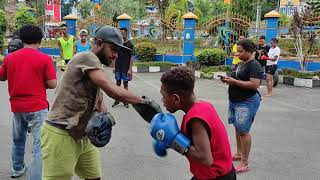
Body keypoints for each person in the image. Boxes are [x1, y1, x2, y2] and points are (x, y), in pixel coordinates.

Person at [41, 25, 150, 180]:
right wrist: (143, 102)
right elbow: (111, 89)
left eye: (118, 52)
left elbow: (100, 101)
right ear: (99, 43)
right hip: (61, 132)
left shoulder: (94, 68)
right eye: (113, 49)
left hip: (82, 134)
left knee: (93, 177)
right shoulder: (86, 56)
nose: (115, 55)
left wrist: (106, 118)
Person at [152, 67, 235, 180]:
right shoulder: (204, 106)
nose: (162, 100)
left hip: (215, 176)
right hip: (219, 173)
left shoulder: (196, 119)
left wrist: (173, 140)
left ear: (176, 99)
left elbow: (205, 158)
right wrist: (170, 142)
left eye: (164, 96)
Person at [0, 24, 57, 179]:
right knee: (40, 144)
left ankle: (17, 168)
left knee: (18, 139)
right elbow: (53, 84)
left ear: (21, 39)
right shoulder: (45, 59)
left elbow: (2, 76)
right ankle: (36, 176)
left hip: (17, 107)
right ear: (40, 40)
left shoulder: (10, 58)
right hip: (37, 107)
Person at [221, 39, 263, 174]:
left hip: (247, 101)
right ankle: (239, 153)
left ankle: (244, 162)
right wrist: (229, 80)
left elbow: (254, 85)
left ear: (249, 51)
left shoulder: (254, 65)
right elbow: (238, 79)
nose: (237, 54)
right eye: (237, 51)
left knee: (244, 131)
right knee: (238, 127)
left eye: (240, 51)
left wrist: (234, 82)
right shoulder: (241, 63)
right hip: (236, 100)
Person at [112, 27, 134, 108]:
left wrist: (130, 69)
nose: (121, 35)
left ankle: (125, 101)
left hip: (125, 68)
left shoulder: (130, 44)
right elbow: (115, 55)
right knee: (117, 84)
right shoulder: (118, 43)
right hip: (118, 67)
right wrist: (114, 66)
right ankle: (117, 100)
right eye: (120, 33)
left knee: (125, 85)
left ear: (126, 34)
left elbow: (132, 57)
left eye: (122, 33)